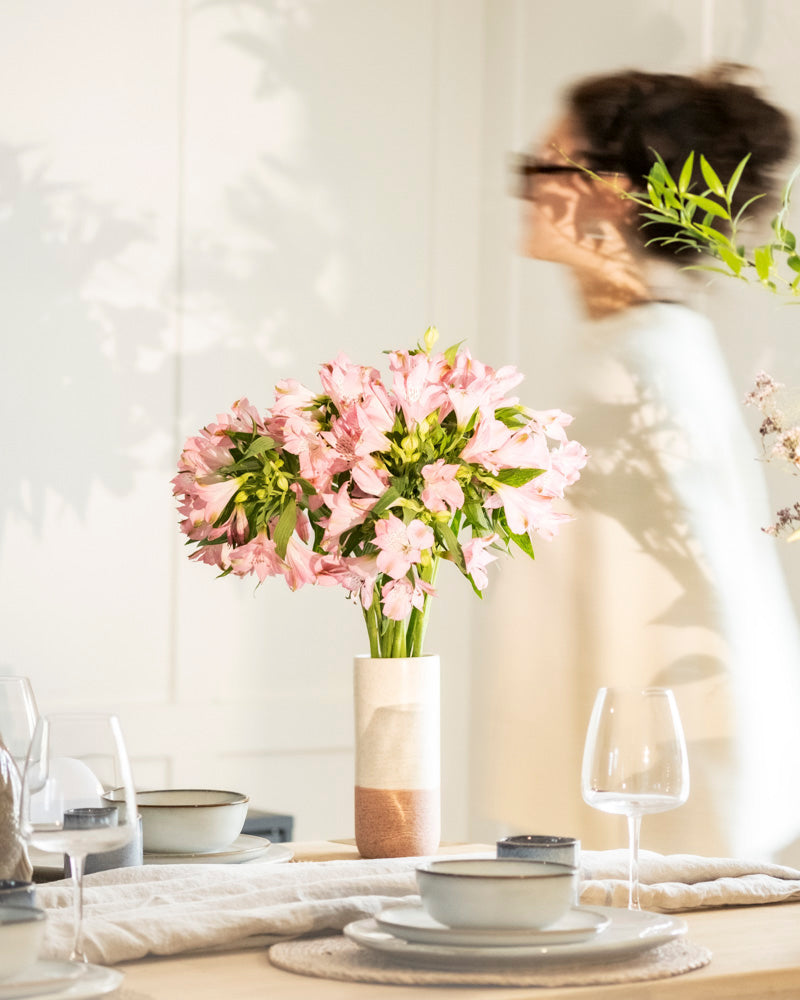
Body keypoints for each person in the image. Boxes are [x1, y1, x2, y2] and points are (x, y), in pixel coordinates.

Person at [473, 66, 800, 862]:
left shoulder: (638, 372)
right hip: (624, 832)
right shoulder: (637, 350)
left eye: (541, 165)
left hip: (660, 842)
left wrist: (680, 860)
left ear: (611, 195)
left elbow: (701, 621)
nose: (522, 187)